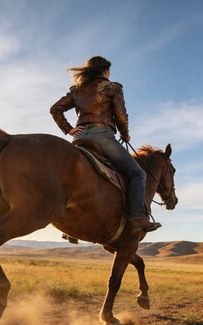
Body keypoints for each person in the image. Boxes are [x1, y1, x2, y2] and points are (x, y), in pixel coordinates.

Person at [50, 56, 159, 233]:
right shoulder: (112, 87)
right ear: (105, 70)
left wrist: (68, 129)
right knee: (137, 174)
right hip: (102, 136)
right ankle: (136, 218)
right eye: (109, 71)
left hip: (78, 139)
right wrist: (125, 134)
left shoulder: (77, 90)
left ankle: (71, 229)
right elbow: (121, 116)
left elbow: (55, 109)